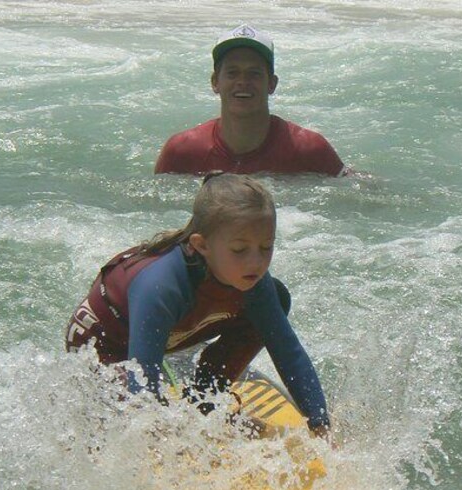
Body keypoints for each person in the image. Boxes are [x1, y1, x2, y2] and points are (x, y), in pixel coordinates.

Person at [66, 173, 330, 436]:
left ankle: (206, 404)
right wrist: (169, 439)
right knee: (136, 423)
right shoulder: (161, 287)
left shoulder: (252, 280)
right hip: (101, 345)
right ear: (201, 245)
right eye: (240, 250)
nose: (256, 262)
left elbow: (288, 352)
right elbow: (142, 383)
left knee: (277, 295)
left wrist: (320, 425)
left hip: (167, 333)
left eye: (266, 247)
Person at [155, 24, 347, 177]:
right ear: (215, 82)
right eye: (232, 73)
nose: (242, 82)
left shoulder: (309, 149)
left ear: (272, 84)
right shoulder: (182, 151)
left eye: (254, 74)